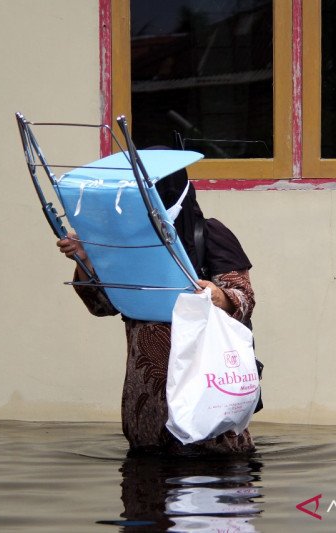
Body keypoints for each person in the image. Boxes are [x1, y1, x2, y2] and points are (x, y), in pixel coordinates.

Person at [56, 167, 255, 455]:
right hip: (145, 402)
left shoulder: (209, 233)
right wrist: (89, 259)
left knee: (212, 477)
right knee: (146, 488)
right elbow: (102, 306)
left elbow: (245, 299)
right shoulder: (125, 244)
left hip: (205, 386)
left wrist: (220, 296)